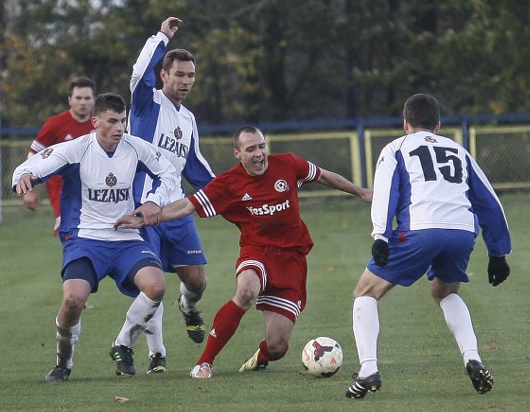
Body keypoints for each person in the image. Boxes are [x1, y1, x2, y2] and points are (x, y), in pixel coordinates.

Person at [114, 125, 373, 379]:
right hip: (256, 250)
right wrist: (150, 218)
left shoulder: (289, 164)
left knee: (277, 347)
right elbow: (187, 205)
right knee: (247, 290)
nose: (259, 153)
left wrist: (360, 191)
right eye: (251, 149)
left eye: (262, 146)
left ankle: (258, 360)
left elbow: (325, 175)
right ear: (237, 154)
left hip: (292, 258)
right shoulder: (229, 184)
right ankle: (205, 362)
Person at [345, 94, 511, 399]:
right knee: (445, 292)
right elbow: (490, 201)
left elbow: (385, 194)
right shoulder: (458, 150)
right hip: (462, 232)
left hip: (420, 230)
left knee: (366, 292)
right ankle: (472, 357)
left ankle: (368, 370)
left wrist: (380, 236)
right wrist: (498, 252)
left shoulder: (396, 148)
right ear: (438, 124)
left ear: (405, 123)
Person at [12, 93, 179, 382]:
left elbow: (169, 173)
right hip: (85, 239)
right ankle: (63, 363)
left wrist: (153, 201)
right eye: (112, 121)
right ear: (95, 122)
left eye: (123, 121)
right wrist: (23, 178)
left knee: (156, 286)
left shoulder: (136, 148)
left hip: (127, 239)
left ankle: (122, 344)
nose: (119, 128)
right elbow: (30, 166)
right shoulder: (75, 149)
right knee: (73, 300)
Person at [126, 16, 216, 374]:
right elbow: (140, 70)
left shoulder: (188, 119)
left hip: (176, 210)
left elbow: (194, 166)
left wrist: (234, 193)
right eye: (179, 74)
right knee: (152, 284)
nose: (185, 82)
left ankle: (189, 307)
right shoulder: (146, 102)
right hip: (143, 208)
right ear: (164, 75)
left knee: (196, 280)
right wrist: (161, 36)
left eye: (190, 76)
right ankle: (155, 354)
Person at [22, 77, 97, 236]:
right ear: (70, 100)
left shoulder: (100, 124)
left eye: (87, 98)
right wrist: (29, 189)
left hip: (94, 188)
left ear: (94, 100)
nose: (82, 102)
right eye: (78, 98)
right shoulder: (55, 124)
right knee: (69, 229)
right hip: (61, 188)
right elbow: (34, 155)